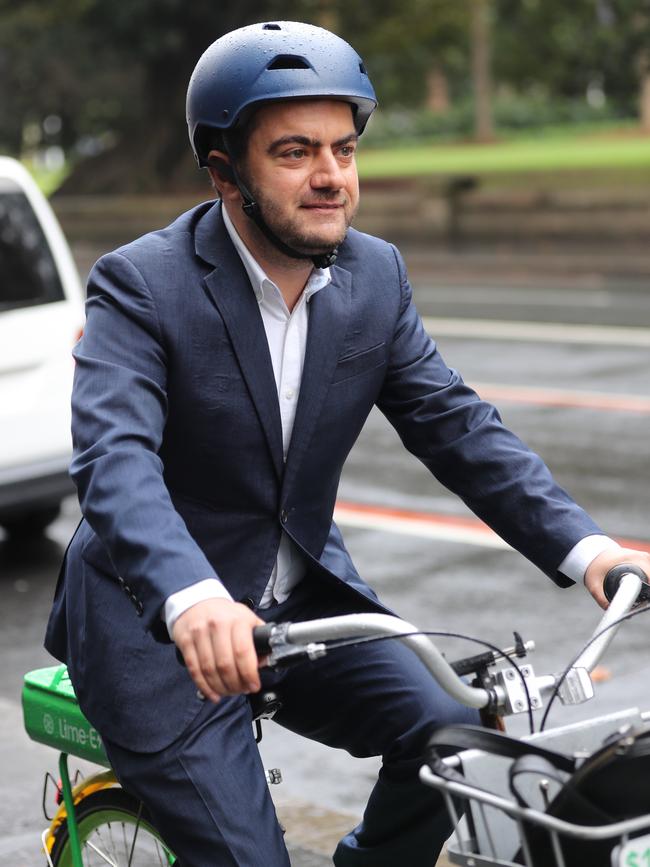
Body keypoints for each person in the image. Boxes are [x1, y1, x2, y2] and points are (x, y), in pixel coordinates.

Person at [45, 20, 650, 867]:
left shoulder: (375, 276)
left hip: (307, 610)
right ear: (226, 170)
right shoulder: (142, 285)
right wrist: (193, 598)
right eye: (295, 152)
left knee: (461, 737)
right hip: (164, 633)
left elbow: (456, 424)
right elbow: (115, 460)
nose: (332, 177)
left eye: (344, 149)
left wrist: (589, 552)